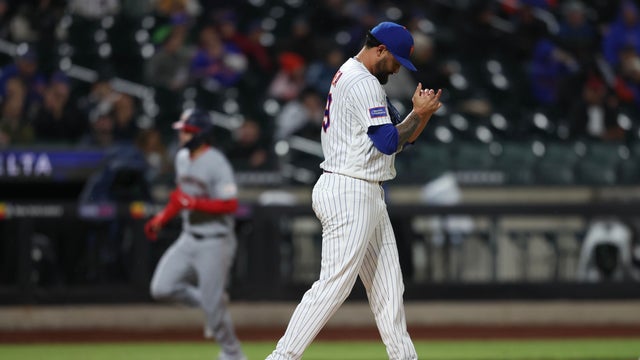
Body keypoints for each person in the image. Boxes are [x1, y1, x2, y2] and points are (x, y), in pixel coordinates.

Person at [265, 21, 443, 360]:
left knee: (389, 288)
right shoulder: (363, 83)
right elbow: (389, 141)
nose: (396, 69)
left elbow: (400, 140)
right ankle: (281, 357)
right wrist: (415, 115)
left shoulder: (353, 75)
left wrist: (421, 117)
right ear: (381, 50)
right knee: (334, 285)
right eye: (395, 61)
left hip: (365, 189)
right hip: (349, 190)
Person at [144, 109, 247, 360]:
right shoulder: (181, 158)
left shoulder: (217, 163)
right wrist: (162, 217)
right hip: (189, 237)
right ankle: (211, 301)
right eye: (182, 131)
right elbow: (181, 197)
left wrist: (194, 204)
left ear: (201, 134)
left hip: (216, 241)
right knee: (162, 288)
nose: (182, 136)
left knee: (214, 312)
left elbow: (230, 205)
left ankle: (233, 354)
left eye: (187, 131)